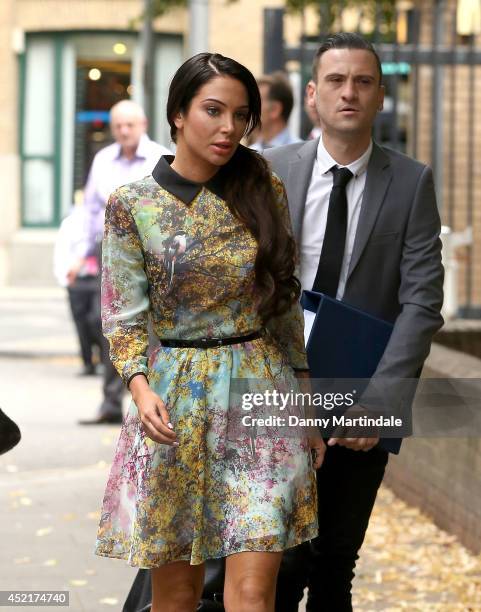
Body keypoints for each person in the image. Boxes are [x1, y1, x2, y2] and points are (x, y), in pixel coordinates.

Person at [95, 52, 324, 612]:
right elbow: (122, 314)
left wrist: (306, 404)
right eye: (213, 111)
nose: (228, 128)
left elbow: (284, 306)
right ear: (178, 114)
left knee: (253, 592)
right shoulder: (134, 204)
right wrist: (140, 386)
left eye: (240, 115)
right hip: (173, 403)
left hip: (259, 393)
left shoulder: (260, 186)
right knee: (176, 596)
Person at [264, 32, 444, 611]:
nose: (349, 93)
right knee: (279, 561)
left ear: (381, 96)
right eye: (336, 81)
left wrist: (382, 401)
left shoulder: (411, 182)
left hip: (360, 393)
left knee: (335, 561)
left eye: (363, 82)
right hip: (274, 389)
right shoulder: (268, 171)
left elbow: (421, 302)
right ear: (313, 95)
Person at [72, 100, 171, 425]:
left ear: (143, 124)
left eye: (129, 125)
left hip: (152, 253)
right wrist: (82, 253)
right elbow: (89, 210)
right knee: (113, 325)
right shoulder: (103, 159)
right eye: (118, 126)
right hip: (110, 252)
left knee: (151, 326)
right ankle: (111, 402)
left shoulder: (160, 156)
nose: (124, 131)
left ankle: (153, 401)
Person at [54, 202, 102, 376]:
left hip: (98, 279)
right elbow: (61, 251)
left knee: (98, 320)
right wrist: (64, 278)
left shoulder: (102, 221)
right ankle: (88, 362)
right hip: (77, 280)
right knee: (81, 323)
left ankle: (104, 359)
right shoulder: (71, 223)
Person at [250, 72, 301, 152]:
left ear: (275, 109)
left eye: (255, 101)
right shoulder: (249, 153)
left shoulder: (303, 154)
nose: (248, 108)